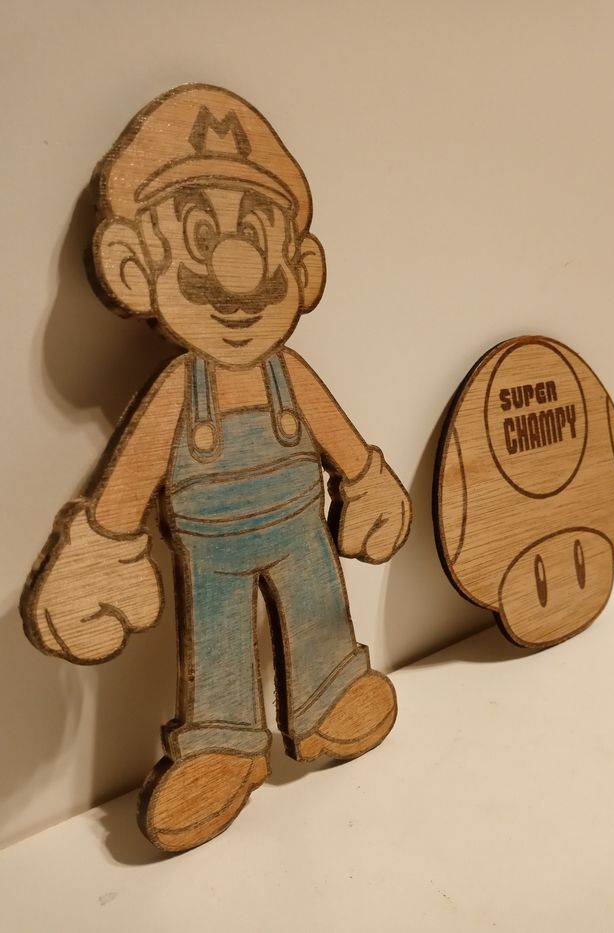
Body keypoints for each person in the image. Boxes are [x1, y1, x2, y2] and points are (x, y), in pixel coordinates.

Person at [21, 84, 411, 852]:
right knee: (218, 641)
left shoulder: (291, 374)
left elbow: (340, 438)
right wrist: (103, 547)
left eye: (256, 236)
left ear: (298, 267)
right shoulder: (176, 387)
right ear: (134, 267)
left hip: (302, 530)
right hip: (212, 552)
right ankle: (223, 747)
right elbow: (132, 473)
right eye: (201, 234)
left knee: (317, 607)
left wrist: (365, 479)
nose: (237, 273)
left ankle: (328, 694)